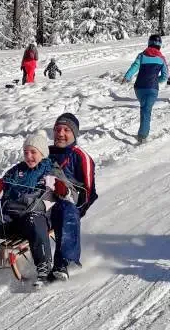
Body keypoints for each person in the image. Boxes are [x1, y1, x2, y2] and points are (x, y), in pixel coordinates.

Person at [0, 131, 75, 287]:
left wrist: (63, 190)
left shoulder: (52, 171)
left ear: (43, 154)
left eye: (33, 152)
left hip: (35, 218)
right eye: (26, 152)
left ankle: (44, 268)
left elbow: (70, 198)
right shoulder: (16, 171)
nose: (29, 156)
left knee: (32, 218)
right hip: (8, 219)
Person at [47, 113, 98, 281]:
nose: (61, 133)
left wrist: (77, 210)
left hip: (67, 203)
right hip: (41, 201)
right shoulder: (45, 153)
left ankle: (62, 262)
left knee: (65, 211)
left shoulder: (80, 156)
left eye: (66, 130)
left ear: (74, 133)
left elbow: (89, 190)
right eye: (58, 129)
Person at [122, 34, 169, 143]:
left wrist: (127, 77)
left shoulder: (142, 55)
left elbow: (134, 67)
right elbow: (165, 76)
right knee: (146, 110)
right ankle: (143, 136)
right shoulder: (161, 59)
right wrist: (157, 80)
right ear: (159, 45)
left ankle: (143, 133)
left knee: (144, 108)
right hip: (152, 89)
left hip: (139, 88)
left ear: (149, 43)